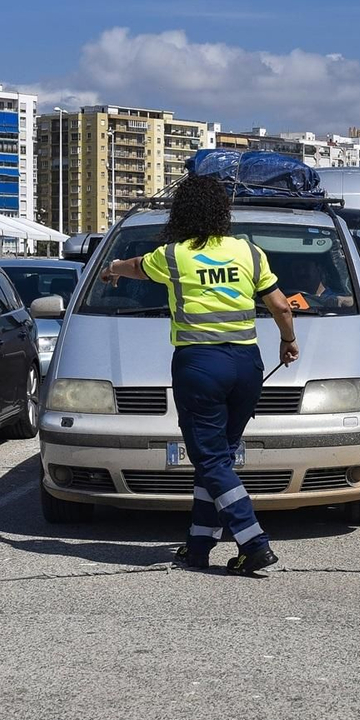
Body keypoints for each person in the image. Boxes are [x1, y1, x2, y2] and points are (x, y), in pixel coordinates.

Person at [99, 175, 300, 574]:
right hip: (247, 365)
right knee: (219, 459)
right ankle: (198, 545)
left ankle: (253, 541)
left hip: (200, 365)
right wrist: (288, 342)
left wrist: (112, 269)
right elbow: (281, 306)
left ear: (182, 212)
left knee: (209, 460)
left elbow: (137, 267)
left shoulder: (174, 255)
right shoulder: (249, 251)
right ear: (222, 212)